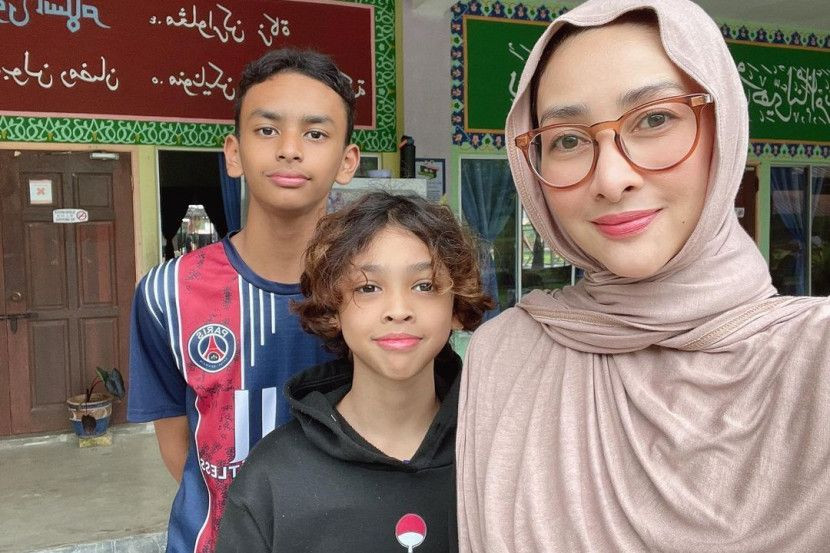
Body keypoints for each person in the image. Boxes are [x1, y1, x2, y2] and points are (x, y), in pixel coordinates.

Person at [456, 0, 830, 551]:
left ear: (723, 128)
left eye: (654, 119)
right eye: (566, 139)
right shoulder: (506, 356)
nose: (611, 179)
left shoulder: (815, 358)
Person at [127, 48, 360, 553]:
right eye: (267, 130)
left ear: (347, 161)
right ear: (233, 153)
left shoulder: (371, 292)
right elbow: (179, 441)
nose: (289, 150)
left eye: (315, 134)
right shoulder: (167, 293)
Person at [215, 192, 493, 553]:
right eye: (368, 287)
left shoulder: (495, 457)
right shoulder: (272, 477)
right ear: (334, 309)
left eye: (424, 286)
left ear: (456, 307)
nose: (398, 310)